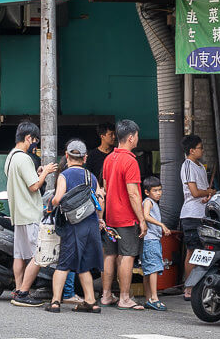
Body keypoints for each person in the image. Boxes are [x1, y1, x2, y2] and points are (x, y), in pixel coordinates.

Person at [46, 140, 103, 314]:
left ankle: (55, 302)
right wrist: (100, 220)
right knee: (84, 264)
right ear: (85, 158)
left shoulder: (65, 175)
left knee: (64, 263)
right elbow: (100, 199)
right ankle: (91, 301)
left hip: (72, 225)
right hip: (91, 223)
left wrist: (51, 203)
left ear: (67, 156)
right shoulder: (91, 177)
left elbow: (57, 199)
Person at [7, 121, 59, 308]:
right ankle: (23, 292)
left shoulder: (11, 156)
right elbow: (34, 186)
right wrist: (45, 172)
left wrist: (38, 173)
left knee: (19, 255)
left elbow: (24, 180)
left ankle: (17, 289)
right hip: (29, 213)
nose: (34, 144)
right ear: (28, 138)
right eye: (34, 140)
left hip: (18, 214)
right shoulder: (24, 158)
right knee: (39, 254)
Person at [100, 119, 146, 310]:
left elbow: (105, 187)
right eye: (136, 136)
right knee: (127, 256)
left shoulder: (108, 159)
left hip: (110, 216)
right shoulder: (130, 161)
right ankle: (125, 298)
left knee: (110, 255)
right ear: (130, 137)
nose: (137, 139)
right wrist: (142, 220)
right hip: (126, 217)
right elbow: (133, 193)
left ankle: (106, 295)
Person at [179, 134, 213, 299]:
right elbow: (194, 192)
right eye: (200, 147)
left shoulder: (200, 166)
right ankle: (189, 288)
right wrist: (208, 192)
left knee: (202, 250)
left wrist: (207, 195)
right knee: (192, 251)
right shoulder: (187, 165)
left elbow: (202, 191)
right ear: (191, 150)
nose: (202, 150)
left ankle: (198, 285)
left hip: (203, 214)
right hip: (191, 214)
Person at [140, 176, 171, 311]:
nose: (159, 193)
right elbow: (145, 216)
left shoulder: (152, 202)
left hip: (151, 240)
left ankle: (148, 298)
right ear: (147, 192)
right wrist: (161, 224)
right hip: (151, 240)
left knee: (148, 270)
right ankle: (154, 298)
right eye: (155, 190)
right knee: (153, 268)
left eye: (160, 190)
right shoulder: (148, 202)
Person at [86, 122, 116, 186]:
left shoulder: (117, 153)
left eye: (114, 134)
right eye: (110, 134)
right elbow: (89, 176)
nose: (114, 137)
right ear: (102, 136)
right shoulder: (92, 155)